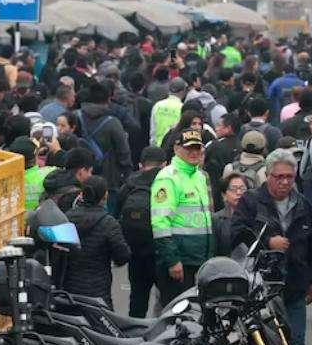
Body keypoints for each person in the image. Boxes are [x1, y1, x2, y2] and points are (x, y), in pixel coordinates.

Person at [231, 148, 312, 345]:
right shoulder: (251, 201)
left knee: (296, 344)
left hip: (295, 287)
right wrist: (267, 241)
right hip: (261, 290)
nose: (284, 182)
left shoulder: (304, 205)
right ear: (267, 175)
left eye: (289, 177)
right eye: (279, 177)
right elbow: (236, 233)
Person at [150, 129, 214, 303]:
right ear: (176, 149)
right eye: (189, 148)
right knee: (177, 313)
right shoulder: (167, 178)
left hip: (199, 261)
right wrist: (172, 260)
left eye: (197, 148)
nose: (194, 152)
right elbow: (160, 223)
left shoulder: (200, 176)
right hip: (180, 262)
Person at [60, 174, 131, 307]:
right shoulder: (109, 223)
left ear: (82, 194)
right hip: (98, 292)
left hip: (69, 291)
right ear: (105, 196)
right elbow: (122, 256)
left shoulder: (66, 219)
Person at [118, 145, 166, 318]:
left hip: (136, 254)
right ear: (164, 165)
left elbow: (119, 217)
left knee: (137, 302)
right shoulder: (166, 185)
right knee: (167, 303)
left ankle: (134, 332)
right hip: (160, 253)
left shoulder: (128, 186)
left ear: (140, 165)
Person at [150, 77, 187, 146]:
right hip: (172, 148)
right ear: (183, 91)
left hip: (157, 146)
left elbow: (153, 130)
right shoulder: (182, 108)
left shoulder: (157, 105)